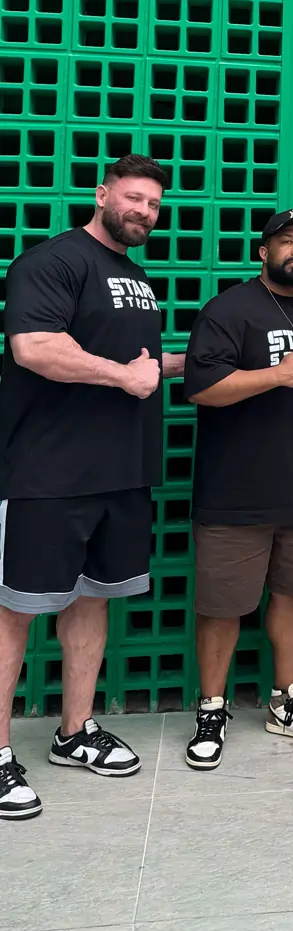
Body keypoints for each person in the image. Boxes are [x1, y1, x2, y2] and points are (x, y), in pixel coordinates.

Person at [0, 154, 184, 821]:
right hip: (48, 474)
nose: (144, 212)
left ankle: (74, 732)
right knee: (13, 613)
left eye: (153, 204)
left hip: (121, 473)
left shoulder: (136, 276)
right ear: (102, 194)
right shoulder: (52, 261)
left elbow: (136, 362)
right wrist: (124, 377)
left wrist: (188, 362)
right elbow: (35, 347)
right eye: (133, 198)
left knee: (92, 600)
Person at [182, 209, 293, 770]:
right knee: (222, 607)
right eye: (286, 241)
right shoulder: (228, 310)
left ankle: (286, 700)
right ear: (263, 251)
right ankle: (211, 707)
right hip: (235, 494)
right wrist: (274, 376)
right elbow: (201, 388)